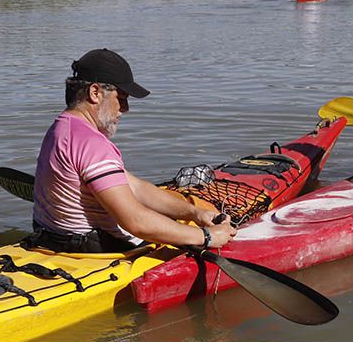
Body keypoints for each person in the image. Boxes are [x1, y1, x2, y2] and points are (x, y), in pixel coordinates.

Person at [27, 48, 236, 254]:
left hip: (55, 239)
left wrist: (195, 213)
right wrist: (207, 237)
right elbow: (135, 222)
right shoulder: (92, 143)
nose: (125, 108)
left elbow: (135, 187)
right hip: (96, 249)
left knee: (176, 213)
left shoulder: (61, 128)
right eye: (122, 97)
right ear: (95, 93)